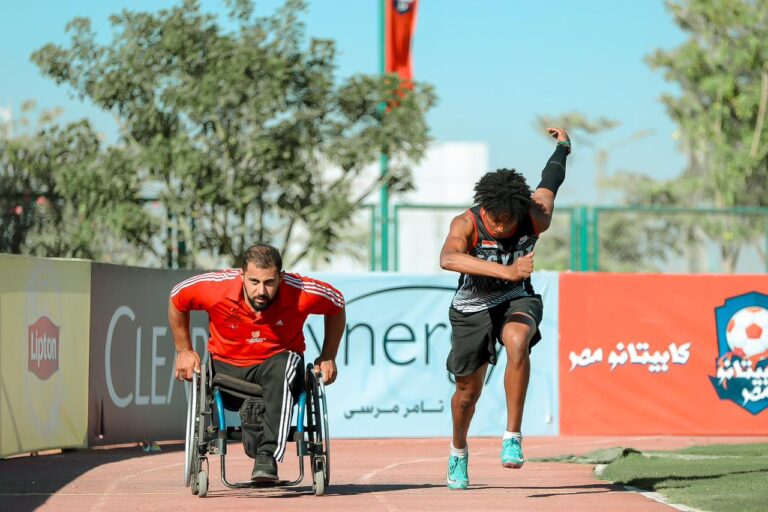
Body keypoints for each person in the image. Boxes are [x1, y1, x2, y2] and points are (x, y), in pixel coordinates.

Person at [439, 127, 571, 490]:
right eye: (494, 221)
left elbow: (550, 182)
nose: (499, 228)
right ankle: (458, 451)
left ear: (518, 213)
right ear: (485, 209)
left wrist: (563, 147)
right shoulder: (467, 223)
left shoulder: (535, 216)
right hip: (471, 307)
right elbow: (448, 258)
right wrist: (507, 270)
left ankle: (512, 436)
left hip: (516, 298)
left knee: (516, 340)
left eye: (506, 223)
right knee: (467, 394)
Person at [169, 243, 345, 482]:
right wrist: (184, 350)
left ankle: (266, 455)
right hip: (228, 376)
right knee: (271, 365)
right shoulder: (217, 288)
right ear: (241, 275)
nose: (261, 290)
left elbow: (337, 303)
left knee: (286, 361)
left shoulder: (300, 291)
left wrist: (328, 355)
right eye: (254, 281)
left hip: (281, 377)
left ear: (281, 277)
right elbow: (177, 297)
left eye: (269, 282)